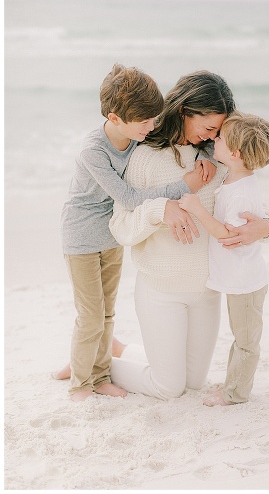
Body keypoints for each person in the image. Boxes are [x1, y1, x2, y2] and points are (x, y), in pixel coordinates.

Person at [107, 70, 269, 400]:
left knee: (193, 383)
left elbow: (252, 206)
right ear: (185, 110)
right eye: (209, 128)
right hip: (162, 288)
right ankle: (94, 362)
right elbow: (120, 226)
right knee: (168, 388)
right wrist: (159, 210)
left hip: (206, 292)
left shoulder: (220, 158)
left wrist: (267, 227)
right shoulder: (146, 157)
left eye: (220, 131)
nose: (214, 137)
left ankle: (123, 349)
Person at [59, 63, 209, 402]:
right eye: (144, 122)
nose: (152, 127)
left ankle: (97, 374)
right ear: (115, 119)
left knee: (107, 313)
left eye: (154, 119)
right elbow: (128, 198)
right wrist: (182, 186)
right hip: (81, 237)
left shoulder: (135, 137)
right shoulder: (94, 150)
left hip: (111, 237)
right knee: (91, 315)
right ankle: (80, 383)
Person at [178, 113, 269, 406]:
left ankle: (236, 393)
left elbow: (226, 234)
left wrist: (197, 209)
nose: (213, 140)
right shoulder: (234, 178)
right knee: (240, 337)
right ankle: (232, 385)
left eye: (219, 138)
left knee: (246, 342)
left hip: (246, 281)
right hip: (239, 278)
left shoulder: (242, 193)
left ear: (234, 153)